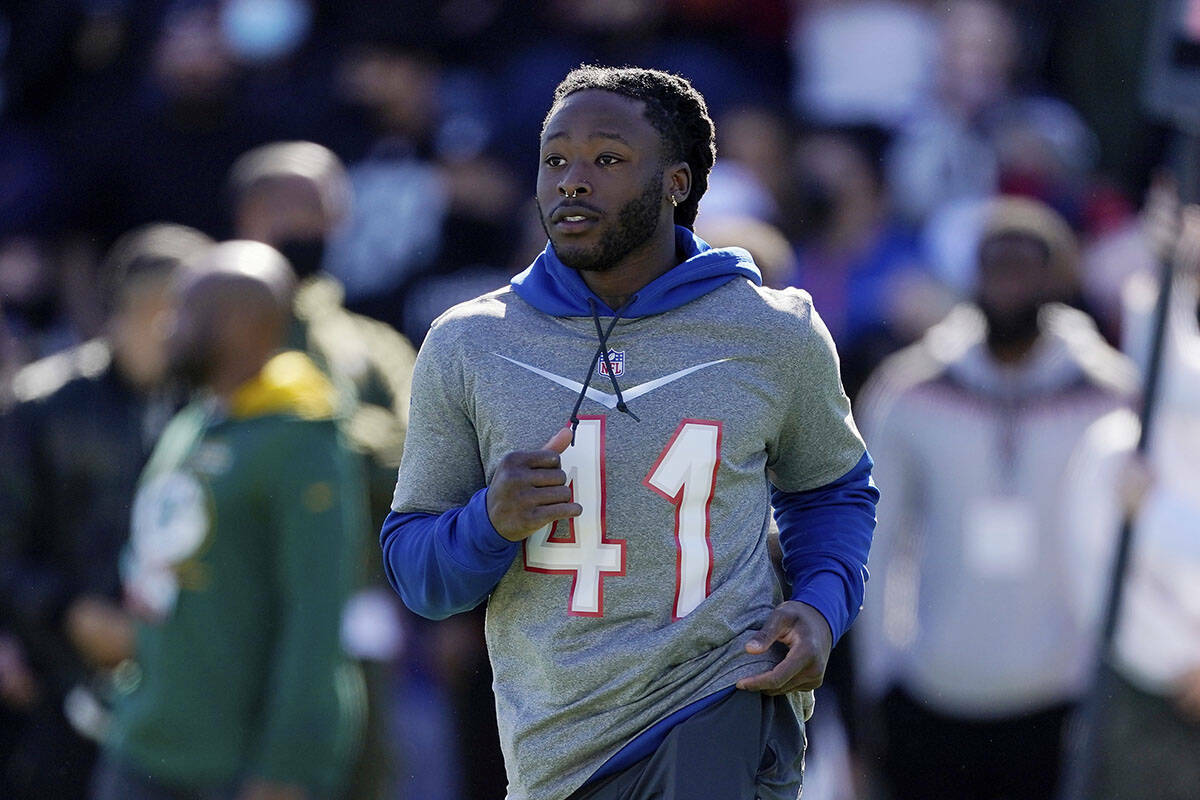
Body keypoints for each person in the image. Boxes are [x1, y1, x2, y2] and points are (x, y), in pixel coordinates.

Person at [380, 65, 878, 800]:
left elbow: (832, 491)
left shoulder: (775, 331)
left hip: (721, 694)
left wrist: (820, 605)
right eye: (555, 160)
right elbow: (419, 577)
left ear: (677, 183)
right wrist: (490, 520)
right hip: (556, 746)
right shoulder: (467, 342)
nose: (572, 181)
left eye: (607, 159)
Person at [854, 195, 1137, 800]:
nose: (1007, 281)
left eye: (1025, 264)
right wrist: (883, 674)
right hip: (934, 687)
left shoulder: (1109, 393)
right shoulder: (910, 390)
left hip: (1062, 688)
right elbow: (874, 538)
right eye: (993, 263)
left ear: (1058, 276)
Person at [91, 241, 365, 800]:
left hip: (236, 765)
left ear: (243, 324)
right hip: (149, 739)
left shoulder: (301, 440)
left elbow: (316, 615)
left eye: (187, 310)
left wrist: (285, 767)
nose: (169, 327)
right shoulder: (194, 420)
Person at [0, 223, 211, 800]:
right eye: (154, 309)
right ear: (119, 311)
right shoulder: (42, 405)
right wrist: (71, 613)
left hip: (189, 685)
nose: (169, 328)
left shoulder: (220, 408)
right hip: (52, 683)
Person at [1062, 202, 1200, 800]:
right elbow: (1098, 582)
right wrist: (1181, 664)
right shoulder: (1115, 449)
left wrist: (1157, 516)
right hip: (1149, 698)